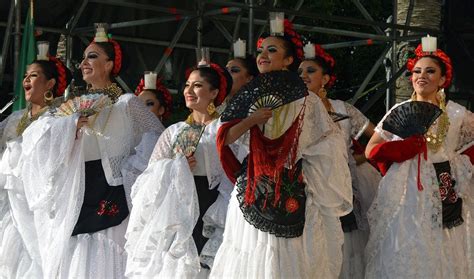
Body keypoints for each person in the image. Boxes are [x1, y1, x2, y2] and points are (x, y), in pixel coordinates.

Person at [4, 27, 164, 278]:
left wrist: (131, 165)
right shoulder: (70, 111)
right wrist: (68, 128)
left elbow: (159, 139)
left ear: (109, 64)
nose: (84, 64)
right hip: (80, 188)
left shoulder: (127, 103)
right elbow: (38, 138)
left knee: (107, 253)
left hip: (112, 186)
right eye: (84, 58)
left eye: (92, 57)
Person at [210, 19, 352, 278]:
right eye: (262, 50)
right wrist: (252, 120)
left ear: (289, 61)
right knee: (250, 253)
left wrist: (304, 160)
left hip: (291, 184)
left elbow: (329, 143)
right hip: (252, 184)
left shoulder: (307, 99)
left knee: (286, 257)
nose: (263, 55)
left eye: (272, 50)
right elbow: (226, 137)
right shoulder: (250, 94)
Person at [365, 43, 474, 278]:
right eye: (417, 71)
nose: (421, 76)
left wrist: (461, 163)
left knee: (442, 246)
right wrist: (404, 148)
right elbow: (371, 150)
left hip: (444, 186)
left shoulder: (456, 114)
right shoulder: (399, 109)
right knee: (406, 244)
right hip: (406, 190)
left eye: (430, 71)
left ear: (443, 79)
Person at [125, 63, 234, 278]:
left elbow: (239, 168)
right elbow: (148, 180)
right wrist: (176, 167)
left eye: (197, 85)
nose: (189, 91)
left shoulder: (224, 128)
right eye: (187, 85)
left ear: (213, 93)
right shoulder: (174, 131)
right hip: (178, 208)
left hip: (214, 205)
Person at [299, 44, 381, 279]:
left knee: (343, 250)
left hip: (340, 188)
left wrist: (358, 158)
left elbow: (379, 137)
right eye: (300, 72)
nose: (303, 76)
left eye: (310, 71)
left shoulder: (342, 108)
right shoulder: (293, 109)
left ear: (325, 78)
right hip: (306, 188)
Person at [0, 48, 72, 277]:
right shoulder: (14, 118)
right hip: (12, 204)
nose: (26, 80)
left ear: (50, 83)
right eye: (25, 76)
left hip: (42, 203)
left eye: (33, 75)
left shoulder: (60, 119)